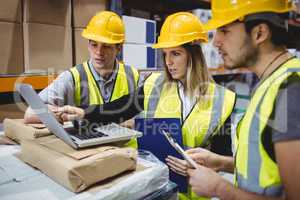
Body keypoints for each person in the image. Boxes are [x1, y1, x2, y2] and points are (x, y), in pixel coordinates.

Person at [59, 12, 236, 200]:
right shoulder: (155, 84)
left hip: (192, 192)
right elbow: (119, 108)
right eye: (166, 54)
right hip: (153, 186)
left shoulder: (221, 100)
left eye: (176, 53)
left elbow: (219, 159)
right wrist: (83, 112)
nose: (168, 62)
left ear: (194, 55)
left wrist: (196, 167)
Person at [179, 0, 300, 199]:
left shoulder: (291, 91)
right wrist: (220, 162)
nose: (215, 41)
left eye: (224, 31)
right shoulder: (270, 82)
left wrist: (220, 189)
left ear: (259, 33)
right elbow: (265, 163)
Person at [23, 11, 139, 148]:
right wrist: (63, 115)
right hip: (92, 156)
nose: (98, 52)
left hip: (128, 156)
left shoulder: (132, 75)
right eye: (94, 44)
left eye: (106, 46)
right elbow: (30, 113)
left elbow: (140, 122)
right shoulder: (73, 77)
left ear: (119, 47)